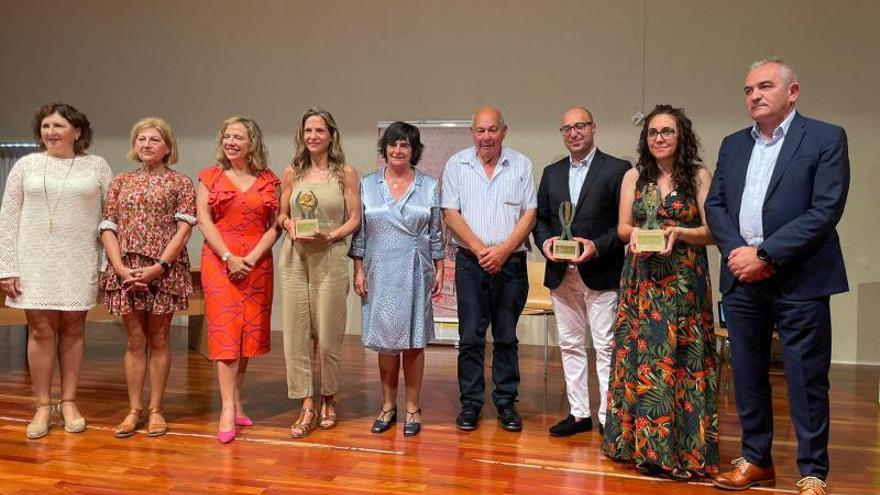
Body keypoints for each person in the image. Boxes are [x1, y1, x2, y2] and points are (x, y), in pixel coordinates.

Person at [706, 59, 849, 495]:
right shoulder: (733, 145)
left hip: (800, 278)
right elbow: (715, 206)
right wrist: (738, 254)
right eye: (748, 89)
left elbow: (825, 210)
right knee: (747, 373)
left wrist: (766, 253)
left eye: (765, 86)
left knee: (806, 377)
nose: (754, 95)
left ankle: (811, 472)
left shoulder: (825, 137)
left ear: (793, 91)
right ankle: (756, 460)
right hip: (743, 278)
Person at [601, 104, 718, 480]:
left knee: (682, 362)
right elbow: (621, 227)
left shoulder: (698, 176)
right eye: (653, 132)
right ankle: (640, 448)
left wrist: (679, 232)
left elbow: (713, 233)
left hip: (683, 283)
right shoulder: (634, 176)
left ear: (681, 135)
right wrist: (633, 233)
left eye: (667, 131)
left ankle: (682, 452)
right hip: (642, 282)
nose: (659, 138)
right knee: (643, 360)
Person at [0, 102, 112, 438]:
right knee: (41, 331)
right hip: (34, 258)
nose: (51, 132)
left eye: (59, 126)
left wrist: (107, 263)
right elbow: (8, 217)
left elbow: (111, 218)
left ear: (77, 132)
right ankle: (42, 406)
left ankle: (70, 402)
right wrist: (7, 266)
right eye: (46, 126)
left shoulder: (97, 166)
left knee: (74, 330)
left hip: (79, 258)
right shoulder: (26, 165)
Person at [533, 107, 630, 437]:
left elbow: (623, 223)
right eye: (567, 128)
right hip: (562, 274)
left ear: (593, 128)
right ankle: (579, 413)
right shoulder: (551, 172)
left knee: (604, 346)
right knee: (571, 345)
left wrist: (597, 247)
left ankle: (607, 415)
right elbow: (542, 220)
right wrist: (545, 243)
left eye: (580, 126)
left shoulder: (617, 169)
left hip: (600, 272)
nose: (573, 133)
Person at [441, 106, 537, 432]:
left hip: (511, 263)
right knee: (470, 337)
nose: (486, 137)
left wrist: (504, 250)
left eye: (492, 130)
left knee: (506, 337)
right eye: (480, 130)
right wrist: (483, 251)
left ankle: (506, 403)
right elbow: (450, 213)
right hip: (471, 262)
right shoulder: (457, 165)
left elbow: (530, 214)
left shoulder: (521, 165)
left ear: (504, 131)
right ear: (472, 133)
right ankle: (470, 404)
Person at [101, 117, 196, 438]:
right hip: (126, 269)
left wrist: (159, 268)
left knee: (159, 339)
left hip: (163, 269)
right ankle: (133, 410)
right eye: (141, 139)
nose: (146, 144)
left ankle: (156, 409)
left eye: (154, 139)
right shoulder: (120, 181)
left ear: (168, 147)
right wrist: (120, 268)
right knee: (134, 340)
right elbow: (108, 227)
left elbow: (183, 231)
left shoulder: (180, 183)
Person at [349, 122, 444, 437]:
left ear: (413, 150)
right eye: (392, 145)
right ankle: (388, 406)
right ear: (384, 149)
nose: (398, 150)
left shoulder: (428, 185)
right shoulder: (367, 184)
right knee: (386, 344)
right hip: (379, 270)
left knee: (414, 344)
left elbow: (436, 232)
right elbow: (360, 233)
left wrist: (440, 267)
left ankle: (412, 408)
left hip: (416, 268)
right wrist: (359, 270)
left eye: (404, 145)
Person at [197, 116, 281, 444]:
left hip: (256, 263)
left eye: (238, 137)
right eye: (227, 136)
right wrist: (229, 258)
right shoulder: (211, 176)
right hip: (220, 262)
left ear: (252, 143)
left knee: (247, 334)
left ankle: (237, 400)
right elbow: (204, 220)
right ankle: (227, 410)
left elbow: (276, 225)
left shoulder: (269, 180)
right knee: (225, 335)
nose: (231, 142)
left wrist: (252, 257)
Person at [277, 108, 360, 438]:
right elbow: (280, 215)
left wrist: (333, 235)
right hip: (295, 259)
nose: (313, 136)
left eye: (319, 131)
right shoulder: (292, 172)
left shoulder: (345, 173)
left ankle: (329, 398)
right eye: (308, 130)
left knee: (327, 337)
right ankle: (306, 403)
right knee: (296, 337)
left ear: (331, 136)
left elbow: (355, 218)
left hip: (330, 255)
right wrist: (289, 224)